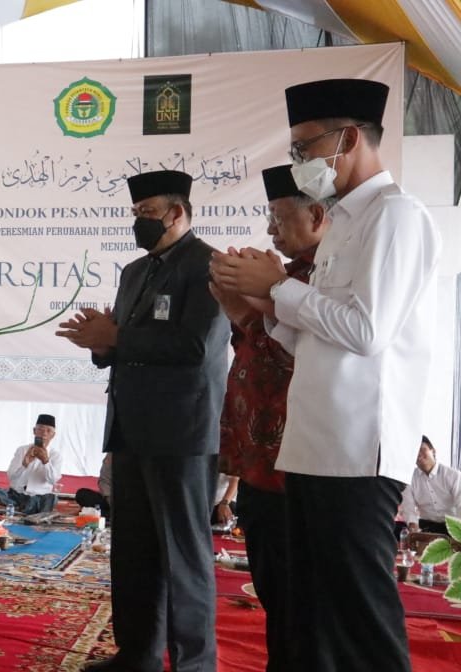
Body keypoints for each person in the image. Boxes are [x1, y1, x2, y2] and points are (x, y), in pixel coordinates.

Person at [210, 78, 441, 672]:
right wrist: (263, 307)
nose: (299, 162)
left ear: (349, 139)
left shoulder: (396, 216)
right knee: (313, 619)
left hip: (357, 451)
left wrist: (279, 288)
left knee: (360, 622)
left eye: (305, 147)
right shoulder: (342, 224)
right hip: (312, 448)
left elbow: (367, 331)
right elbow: (316, 338)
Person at [58, 169, 228, 672]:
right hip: (130, 430)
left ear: (177, 213)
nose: (139, 221)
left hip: (181, 433)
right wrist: (100, 343)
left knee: (183, 554)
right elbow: (125, 345)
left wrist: (117, 336)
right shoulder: (134, 272)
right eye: (135, 213)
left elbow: (196, 347)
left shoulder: (209, 266)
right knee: (133, 551)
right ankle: (138, 655)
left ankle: (194, 664)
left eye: (147, 212)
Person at [209, 163, 328, 671]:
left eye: (279, 217)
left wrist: (254, 305)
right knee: (276, 595)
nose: (271, 229)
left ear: (317, 215)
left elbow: (305, 357)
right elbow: (257, 351)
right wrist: (238, 310)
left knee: (305, 606)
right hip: (260, 466)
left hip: (300, 467)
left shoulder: (328, 279)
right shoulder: (292, 277)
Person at [0, 414, 62, 515]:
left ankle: (20, 507)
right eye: (40, 429)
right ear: (34, 431)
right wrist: (24, 465)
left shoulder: (55, 455)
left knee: (52, 498)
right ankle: (26, 508)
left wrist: (46, 462)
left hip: (39, 497)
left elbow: (53, 480)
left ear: (53, 435)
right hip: (16, 495)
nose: (44, 434)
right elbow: (11, 477)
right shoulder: (22, 450)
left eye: (48, 431)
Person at [401, 436, 461, 535]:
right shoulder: (409, 478)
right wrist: (414, 528)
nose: (418, 453)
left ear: (433, 450)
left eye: (422, 449)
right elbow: (408, 507)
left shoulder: (454, 475)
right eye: (414, 451)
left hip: (451, 527)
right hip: (426, 526)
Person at [74, 454, 113, 519]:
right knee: (82, 494)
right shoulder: (111, 455)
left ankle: (105, 514)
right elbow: (104, 481)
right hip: (111, 500)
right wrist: (110, 499)